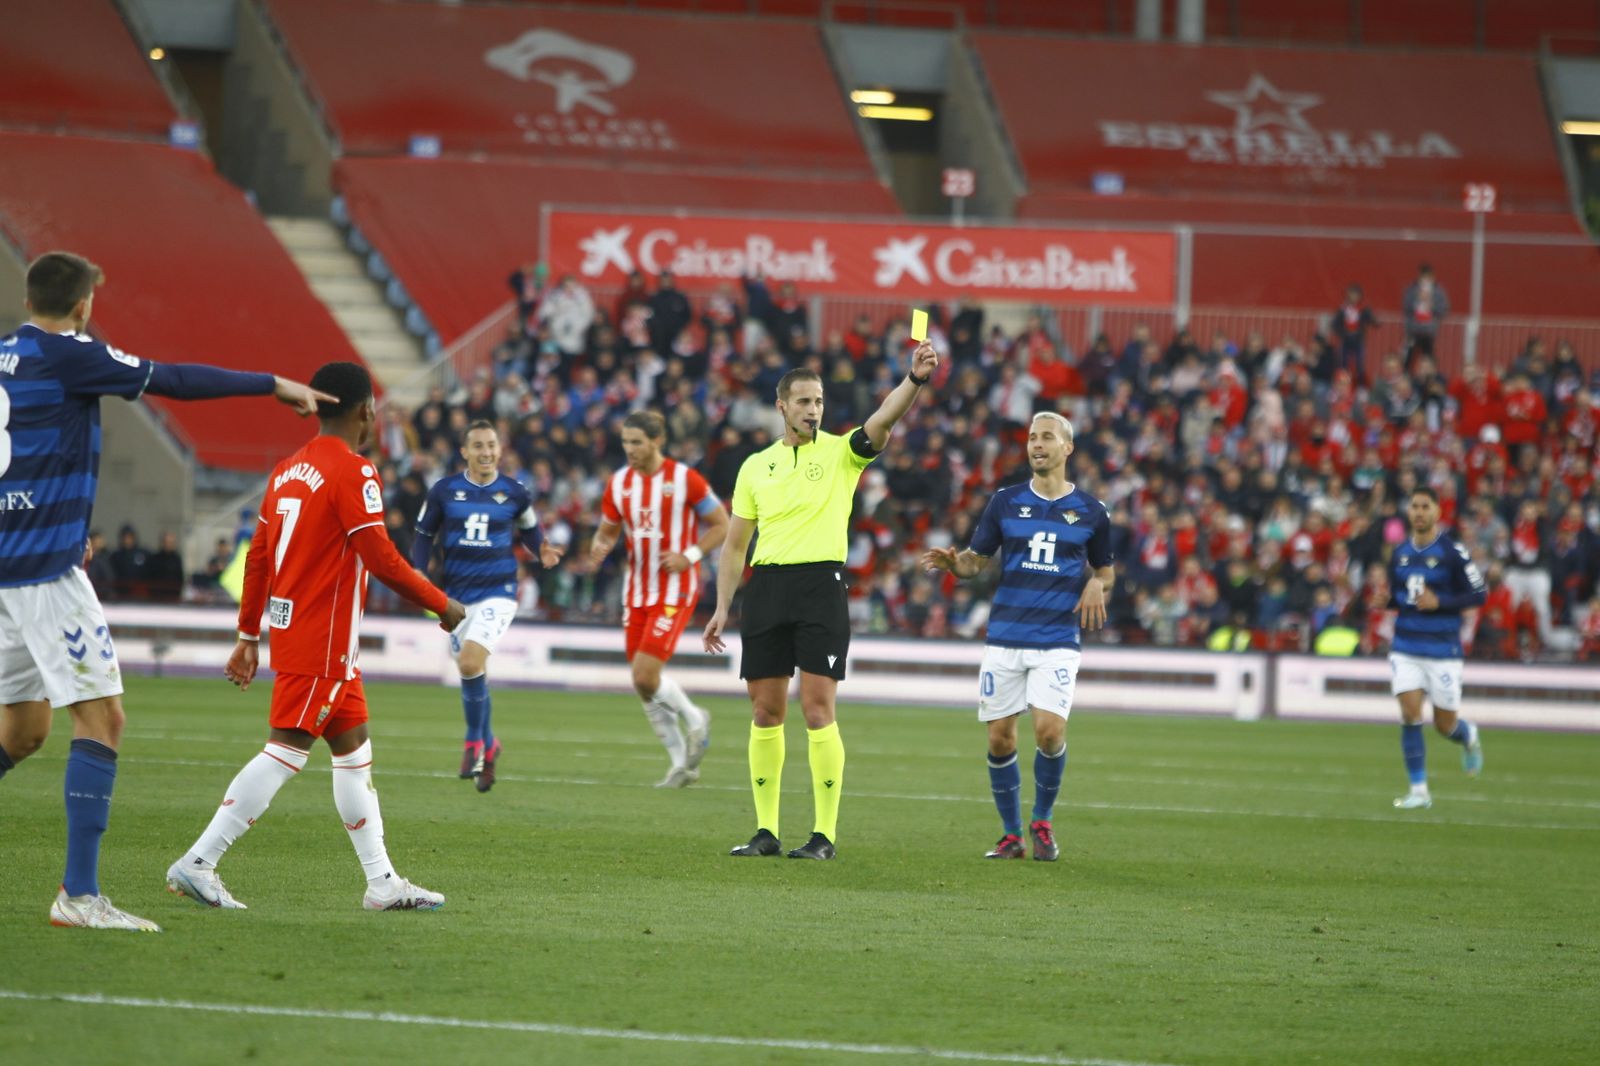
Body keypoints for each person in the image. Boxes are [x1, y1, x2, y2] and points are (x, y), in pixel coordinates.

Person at [0, 250, 333, 932]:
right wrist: (271, 383)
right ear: (83, 304)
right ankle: (80, 895)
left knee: (24, 730)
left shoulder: (7, 354)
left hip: (12, 566)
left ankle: (82, 893)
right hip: (42, 578)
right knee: (103, 720)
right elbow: (174, 379)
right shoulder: (73, 354)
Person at [165, 362, 467, 912]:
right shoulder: (354, 472)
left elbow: (257, 557)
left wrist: (247, 634)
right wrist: (441, 604)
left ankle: (382, 882)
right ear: (365, 411)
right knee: (286, 749)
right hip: (322, 637)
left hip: (305, 633)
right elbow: (380, 558)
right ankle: (199, 861)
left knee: (354, 752)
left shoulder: (287, 470)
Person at [704, 341, 940, 861]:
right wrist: (722, 606)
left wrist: (914, 380)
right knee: (765, 712)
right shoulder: (754, 467)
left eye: (819, 402)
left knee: (816, 709)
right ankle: (766, 832)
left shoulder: (842, 453)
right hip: (765, 589)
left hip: (820, 589)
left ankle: (823, 836)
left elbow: (882, 420)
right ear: (782, 406)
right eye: (804, 402)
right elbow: (736, 544)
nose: (814, 410)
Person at [921, 412, 1114, 861]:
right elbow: (975, 563)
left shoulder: (1091, 511)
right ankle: (1011, 836)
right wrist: (955, 565)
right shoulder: (1004, 502)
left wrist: (1094, 584)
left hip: (1057, 639)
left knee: (1049, 733)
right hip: (1006, 636)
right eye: (1031, 438)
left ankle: (1042, 821)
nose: (1036, 444)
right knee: (1000, 740)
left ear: (1068, 447)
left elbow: (1107, 574)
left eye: (1047, 437)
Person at [409, 419, 563, 791]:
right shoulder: (444, 491)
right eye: (478, 446)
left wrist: (540, 549)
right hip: (456, 598)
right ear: (464, 452)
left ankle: (473, 742)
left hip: (499, 591)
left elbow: (529, 530)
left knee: (470, 662)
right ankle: (490, 744)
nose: (486, 452)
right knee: (472, 672)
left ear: (500, 448)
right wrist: (417, 572)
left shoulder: (515, 492)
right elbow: (423, 535)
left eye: (492, 445)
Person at [587, 411, 728, 787]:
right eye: (625, 443)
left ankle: (696, 717)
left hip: (675, 589)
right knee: (643, 683)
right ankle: (682, 764)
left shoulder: (686, 480)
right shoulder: (618, 484)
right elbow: (607, 530)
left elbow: (722, 524)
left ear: (656, 441)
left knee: (645, 674)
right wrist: (599, 547)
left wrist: (689, 557)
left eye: (637, 442)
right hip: (636, 592)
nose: (630, 450)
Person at [1386, 486, 1486, 810]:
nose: (1418, 512)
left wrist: (1440, 601)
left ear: (1437, 512)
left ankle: (1468, 735)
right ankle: (1419, 791)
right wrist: (1384, 601)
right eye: (1414, 506)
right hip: (1405, 646)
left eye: (1425, 506)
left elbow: (1479, 594)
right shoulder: (1399, 553)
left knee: (1445, 726)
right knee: (1409, 713)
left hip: (1443, 650)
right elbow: (1401, 598)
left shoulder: (1453, 552)